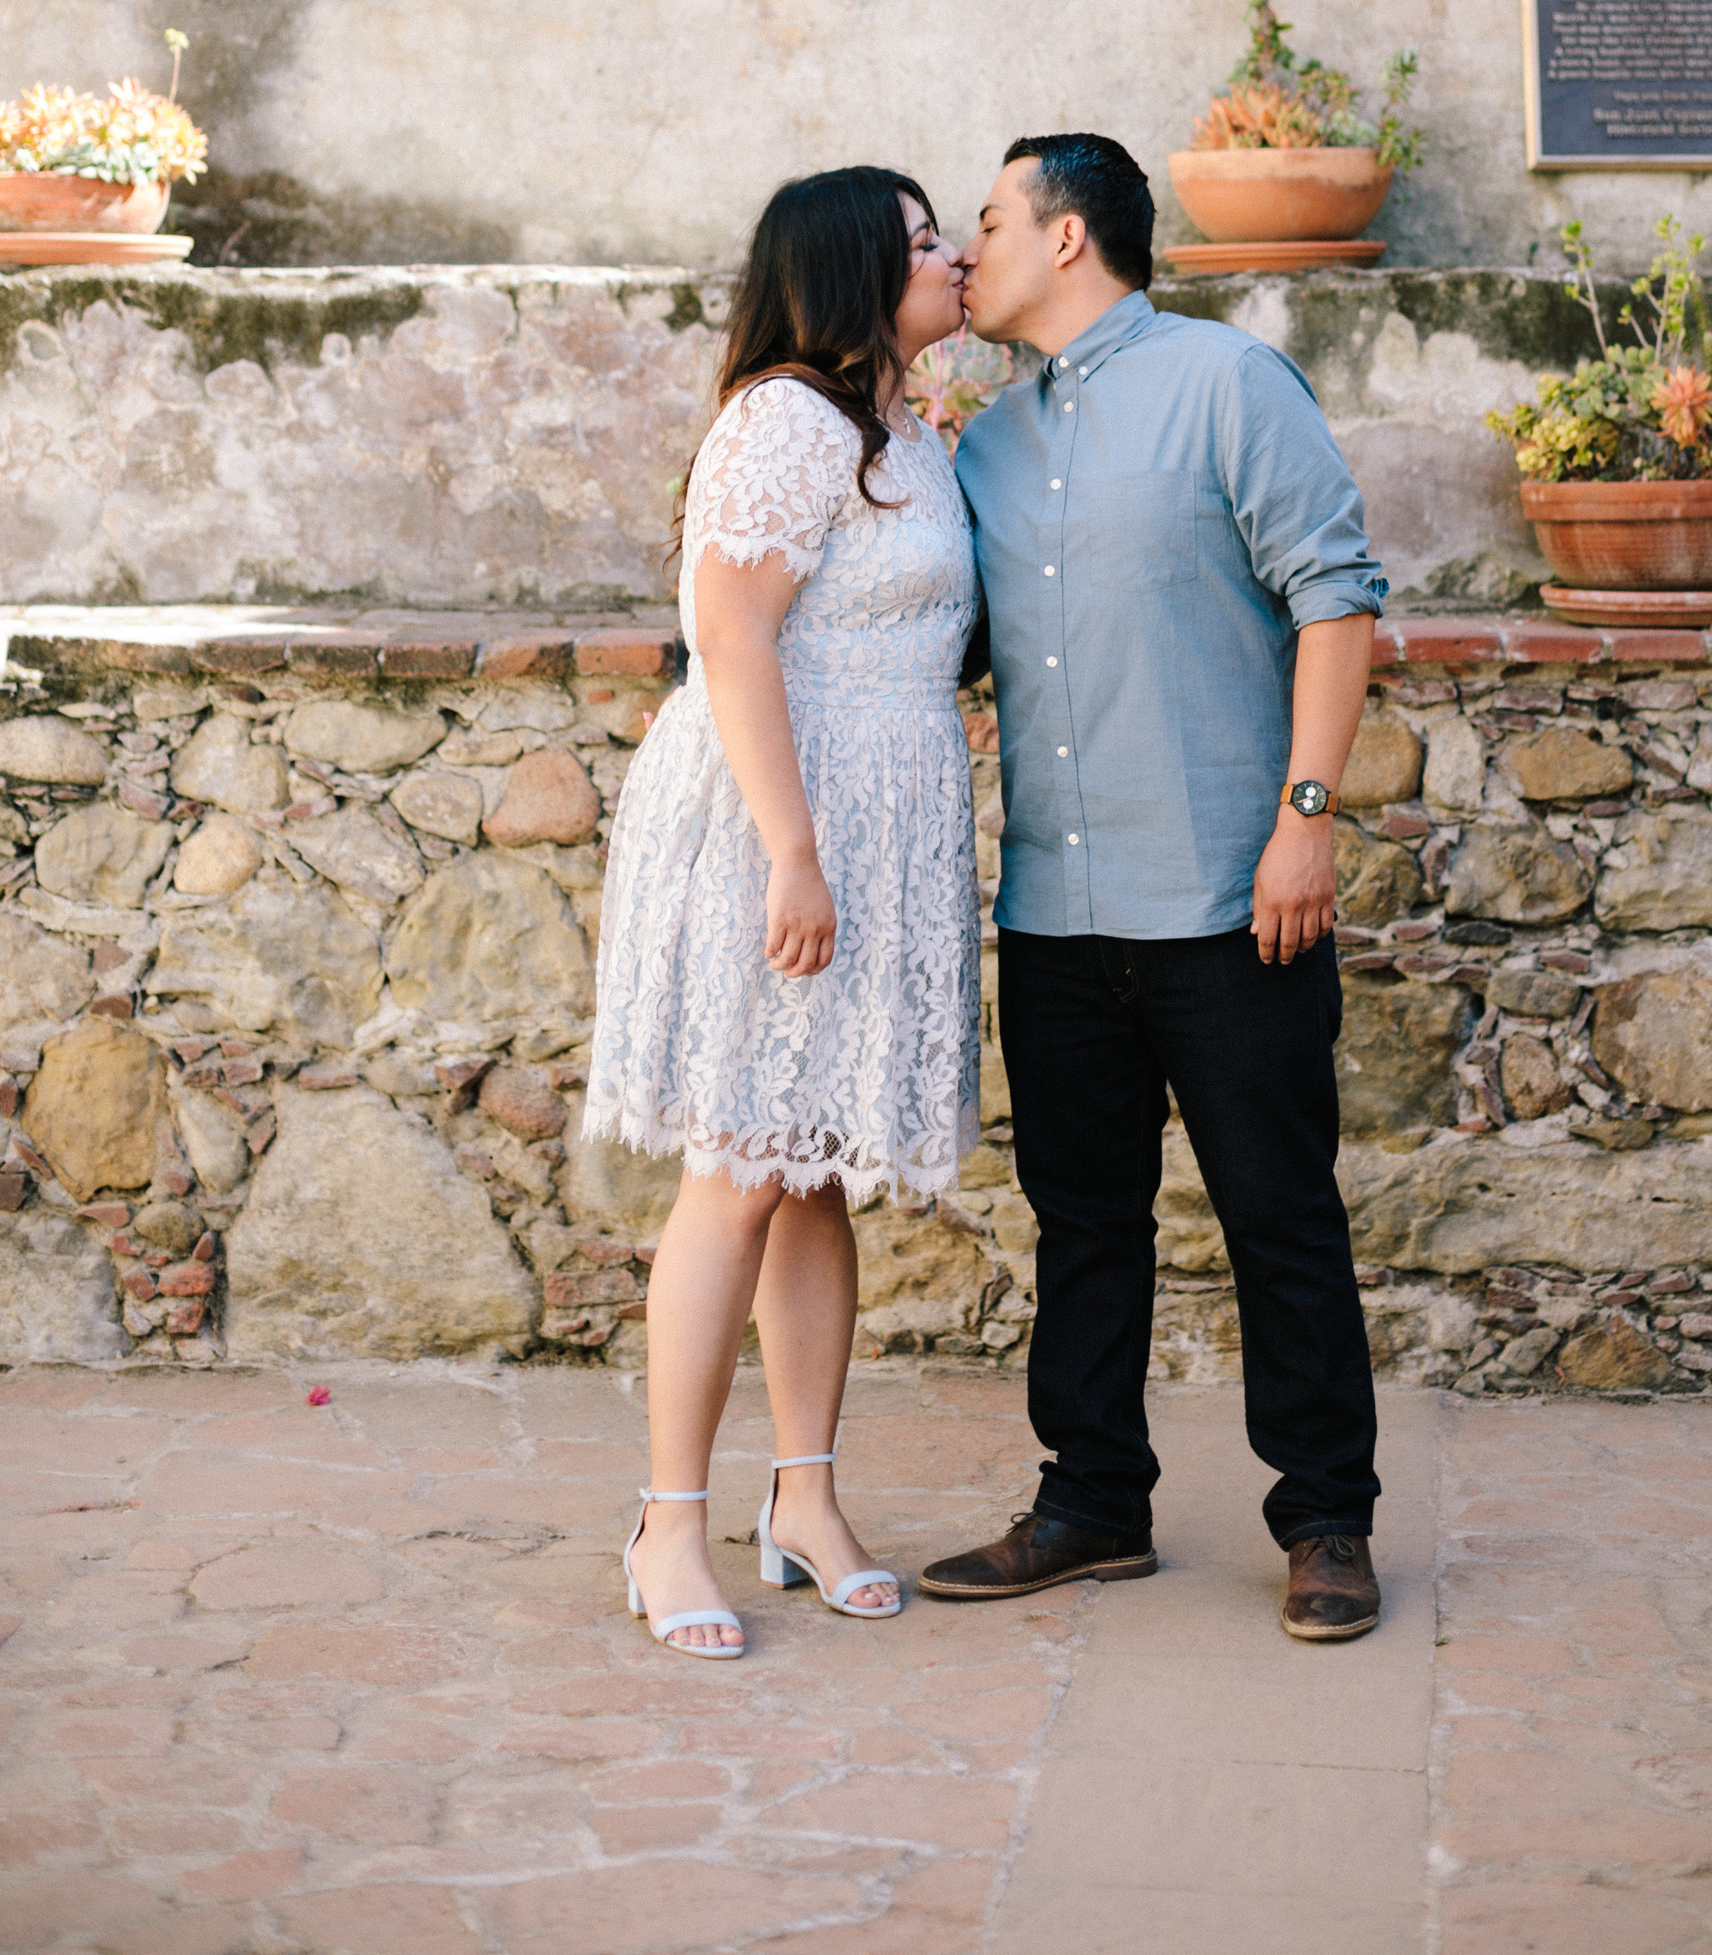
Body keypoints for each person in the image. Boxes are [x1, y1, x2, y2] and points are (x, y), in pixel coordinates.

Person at [922, 133, 1390, 1645]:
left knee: (1279, 1214)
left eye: (987, 221)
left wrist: (1305, 818)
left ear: (1067, 237)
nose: (969, 249)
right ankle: (1091, 1505)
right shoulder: (979, 448)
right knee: (1083, 1222)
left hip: (1227, 896)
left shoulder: (1227, 384)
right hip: (1054, 906)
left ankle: (1326, 1518)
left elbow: (1335, 597)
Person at [583, 167, 979, 1658]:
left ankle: (803, 1503)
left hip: (878, 829)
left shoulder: (910, 435)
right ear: (851, 272)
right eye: (923, 239)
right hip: (775, 824)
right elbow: (728, 634)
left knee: (813, 1171)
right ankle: (667, 1526)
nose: (950, 258)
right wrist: (792, 852)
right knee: (742, 1164)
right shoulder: (785, 423)